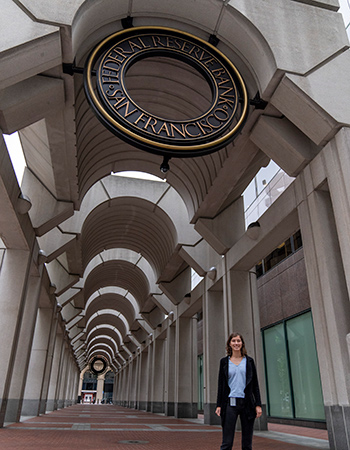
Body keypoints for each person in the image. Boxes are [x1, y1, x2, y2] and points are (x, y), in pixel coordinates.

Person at [216, 332, 262, 450]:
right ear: (229, 344)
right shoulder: (224, 362)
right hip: (230, 403)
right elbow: (221, 385)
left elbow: (255, 384)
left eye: (238, 341)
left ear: (242, 343)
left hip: (247, 403)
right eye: (234, 341)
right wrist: (219, 405)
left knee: (247, 442)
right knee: (227, 441)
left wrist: (258, 404)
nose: (236, 343)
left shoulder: (249, 361)